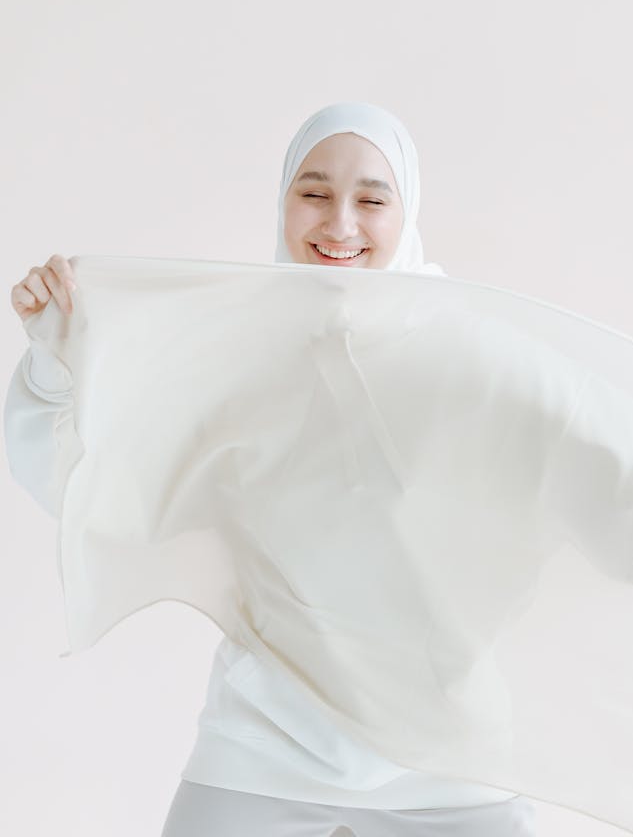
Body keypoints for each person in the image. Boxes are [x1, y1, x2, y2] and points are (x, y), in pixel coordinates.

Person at [6, 102, 537, 835]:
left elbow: (599, 478)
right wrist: (58, 358)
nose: (340, 223)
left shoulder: (476, 357)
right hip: (263, 747)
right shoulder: (231, 357)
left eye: (371, 199)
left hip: (449, 759)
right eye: (313, 192)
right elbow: (91, 482)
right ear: (283, 201)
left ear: (406, 211)